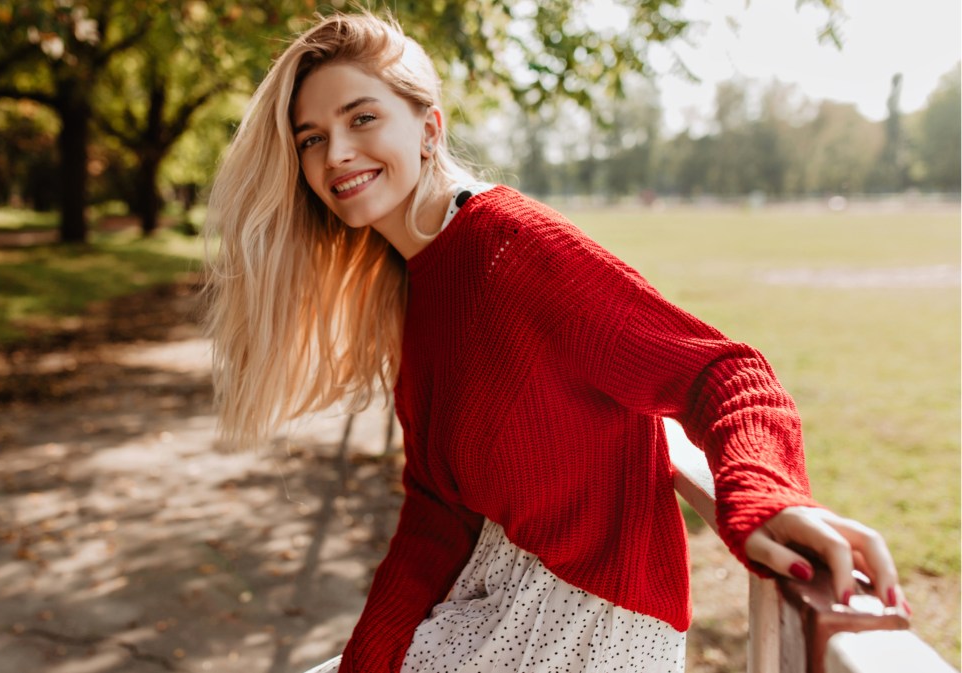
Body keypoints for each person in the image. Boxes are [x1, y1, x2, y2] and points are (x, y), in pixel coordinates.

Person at [202, 11, 910, 673]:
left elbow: (724, 373)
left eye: (362, 118)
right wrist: (369, 657)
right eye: (312, 138)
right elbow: (437, 507)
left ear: (428, 127)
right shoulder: (421, 279)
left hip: (590, 625)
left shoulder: (510, 248)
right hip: (491, 601)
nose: (337, 153)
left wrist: (766, 495)